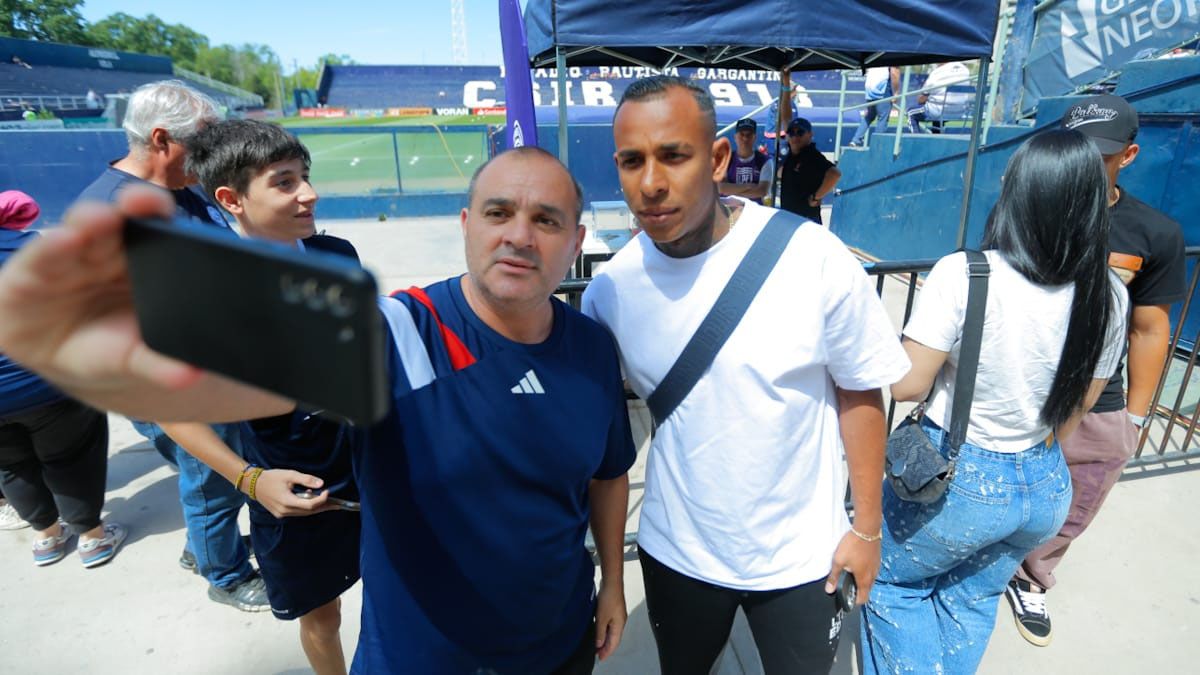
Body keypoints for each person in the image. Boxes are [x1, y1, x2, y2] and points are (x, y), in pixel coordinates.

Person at [0, 146, 635, 674]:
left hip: (559, 642)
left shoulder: (590, 349)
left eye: (547, 221)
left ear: (577, 239)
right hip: (429, 658)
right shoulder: (394, 334)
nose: (519, 236)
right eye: (499, 212)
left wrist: (611, 581)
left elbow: (607, 474)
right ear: (467, 223)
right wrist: (246, 473)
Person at [585, 75, 910, 674]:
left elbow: (860, 392)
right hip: (677, 552)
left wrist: (867, 530)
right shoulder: (608, 293)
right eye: (632, 161)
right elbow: (608, 436)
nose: (651, 183)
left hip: (801, 558)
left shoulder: (812, 258)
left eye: (673, 155)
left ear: (716, 158)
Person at [859, 129, 1129, 674]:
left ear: (1022, 195)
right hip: (1043, 486)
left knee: (890, 584)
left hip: (959, 482)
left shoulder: (967, 273)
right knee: (971, 598)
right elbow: (1079, 408)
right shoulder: (1110, 292)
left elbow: (907, 385)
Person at [152, 120, 360, 675]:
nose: (308, 193)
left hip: (373, 469)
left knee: (400, 587)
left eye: (306, 177)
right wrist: (251, 480)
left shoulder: (339, 254)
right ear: (231, 199)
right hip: (295, 491)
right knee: (323, 615)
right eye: (285, 182)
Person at [74, 80, 269, 611]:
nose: (211, 156)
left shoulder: (181, 187)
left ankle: (205, 548)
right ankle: (225, 574)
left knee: (206, 478)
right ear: (161, 138)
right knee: (213, 480)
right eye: (201, 143)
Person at [1006, 94, 1187, 646]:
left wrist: (1136, 416)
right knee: (997, 489)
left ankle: (1031, 576)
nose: (1082, 163)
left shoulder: (1154, 233)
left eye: (1099, 153)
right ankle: (981, 565)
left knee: (1078, 497)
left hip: (1099, 402)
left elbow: (1150, 329)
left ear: (1128, 155)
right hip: (1019, 385)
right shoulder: (1026, 210)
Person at [0, 190, 126, 567]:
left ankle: (46, 538)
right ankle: (91, 538)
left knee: (10, 464)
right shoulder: (27, 247)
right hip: (46, 384)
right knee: (72, 456)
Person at [778, 117, 841, 224]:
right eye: (791, 132)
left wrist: (817, 197)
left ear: (810, 135)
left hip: (806, 219)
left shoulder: (812, 156)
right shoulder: (791, 155)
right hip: (791, 217)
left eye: (800, 132)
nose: (795, 136)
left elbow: (834, 174)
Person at [718, 118, 773, 204]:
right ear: (735, 137)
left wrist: (732, 190)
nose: (745, 138)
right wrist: (748, 186)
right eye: (742, 134)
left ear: (755, 137)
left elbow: (762, 191)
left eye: (749, 135)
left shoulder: (765, 161)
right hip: (729, 211)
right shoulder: (726, 159)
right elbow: (721, 188)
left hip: (755, 211)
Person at [906, 61, 970, 133]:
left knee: (911, 112)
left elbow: (921, 99)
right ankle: (937, 136)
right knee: (938, 108)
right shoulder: (965, 70)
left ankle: (916, 141)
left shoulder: (937, 73)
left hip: (939, 111)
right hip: (960, 111)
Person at [848, 66, 900, 147]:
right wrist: (896, 93)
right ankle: (877, 145)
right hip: (882, 88)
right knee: (883, 117)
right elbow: (894, 72)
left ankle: (855, 140)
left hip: (870, 87)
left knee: (869, 116)